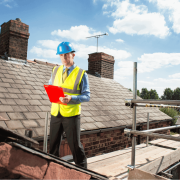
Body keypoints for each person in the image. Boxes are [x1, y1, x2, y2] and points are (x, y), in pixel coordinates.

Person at [48, 42, 90, 168]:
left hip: (71, 115)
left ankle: (83, 171)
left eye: (66, 55)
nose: (64, 58)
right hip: (56, 112)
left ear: (73, 55)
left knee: (75, 146)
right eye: (61, 55)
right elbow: (51, 86)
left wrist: (71, 98)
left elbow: (87, 96)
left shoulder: (81, 73)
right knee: (53, 145)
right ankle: (52, 169)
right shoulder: (55, 70)